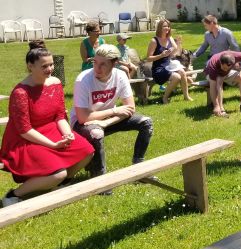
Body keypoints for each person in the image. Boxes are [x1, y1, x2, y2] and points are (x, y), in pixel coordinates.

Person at [1, 41, 94, 207]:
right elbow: (24, 130)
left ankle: (63, 184)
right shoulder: (20, 92)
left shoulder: (56, 83)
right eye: (44, 66)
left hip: (51, 130)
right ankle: (12, 195)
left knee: (87, 151)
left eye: (51, 64)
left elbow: (59, 115)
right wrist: (53, 145)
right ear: (30, 66)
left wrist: (67, 134)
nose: (50, 69)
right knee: (57, 173)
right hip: (26, 139)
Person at [71, 44, 155, 187]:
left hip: (106, 120)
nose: (97, 68)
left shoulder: (120, 75)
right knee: (96, 133)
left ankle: (138, 167)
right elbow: (83, 117)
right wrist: (114, 111)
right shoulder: (83, 80)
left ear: (114, 63)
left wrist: (106, 122)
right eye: (95, 62)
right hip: (82, 124)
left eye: (103, 64)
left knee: (146, 122)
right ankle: (101, 181)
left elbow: (130, 108)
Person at [146, 19, 193, 103]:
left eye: (168, 26)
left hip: (168, 65)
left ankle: (186, 96)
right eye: (164, 26)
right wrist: (161, 55)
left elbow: (176, 52)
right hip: (158, 68)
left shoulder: (169, 38)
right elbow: (148, 58)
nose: (167, 28)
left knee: (182, 72)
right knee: (177, 77)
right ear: (160, 27)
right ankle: (165, 97)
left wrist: (178, 43)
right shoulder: (154, 41)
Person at [204, 51, 241, 117]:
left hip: (225, 74)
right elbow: (213, 87)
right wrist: (216, 106)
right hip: (211, 73)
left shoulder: (236, 56)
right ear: (221, 63)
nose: (225, 69)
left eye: (228, 68)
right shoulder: (213, 66)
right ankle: (221, 108)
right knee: (219, 81)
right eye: (224, 68)